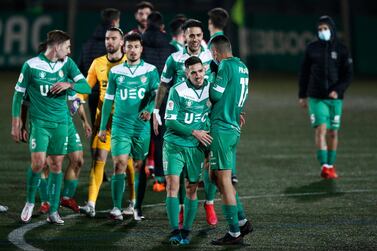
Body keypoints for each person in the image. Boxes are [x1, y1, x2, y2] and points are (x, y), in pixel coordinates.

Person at [11, 30, 91, 225]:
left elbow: (86, 87)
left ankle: (54, 211)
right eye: (67, 47)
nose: (70, 51)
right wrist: (16, 123)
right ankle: (30, 201)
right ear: (57, 47)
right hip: (39, 123)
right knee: (38, 163)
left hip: (62, 124)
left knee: (56, 166)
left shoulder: (68, 65)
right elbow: (18, 96)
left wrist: (69, 84)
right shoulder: (31, 65)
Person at [153, 18, 218, 227]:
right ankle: (180, 210)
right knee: (179, 174)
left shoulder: (211, 56)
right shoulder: (174, 59)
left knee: (211, 166)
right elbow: (163, 86)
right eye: (191, 35)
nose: (196, 39)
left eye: (199, 35)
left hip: (206, 118)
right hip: (182, 118)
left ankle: (209, 203)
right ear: (184, 36)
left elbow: (222, 82)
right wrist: (156, 110)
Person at [98, 33, 159, 221]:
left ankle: (135, 204)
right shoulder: (116, 72)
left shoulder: (150, 70)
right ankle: (116, 208)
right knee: (119, 164)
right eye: (129, 47)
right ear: (124, 48)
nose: (132, 50)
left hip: (141, 127)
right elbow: (108, 101)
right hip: (120, 126)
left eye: (136, 47)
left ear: (141, 49)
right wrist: (102, 127)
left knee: (140, 167)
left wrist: (149, 109)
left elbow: (155, 95)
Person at [77, 27, 136, 218]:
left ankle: (133, 201)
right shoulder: (97, 63)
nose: (109, 42)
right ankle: (91, 204)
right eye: (107, 38)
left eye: (113, 38)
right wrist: (75, 95)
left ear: (121, 43)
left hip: (126, 124)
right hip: (103, 122)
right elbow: (85, 89)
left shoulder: (130, 63)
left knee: (126, 163)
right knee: (98, 160)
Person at [209, 35, 253, 245]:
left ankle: (234, 232)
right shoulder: (242, 66)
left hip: (222, 128)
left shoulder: (225, 65)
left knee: (223, 179)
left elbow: (215, 94)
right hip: (232, 126)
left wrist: (210, 79)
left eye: (212, 54)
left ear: (216, 53)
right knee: (216, 177)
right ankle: (242, 221)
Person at [164, 56, 212, 245]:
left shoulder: (211, 88)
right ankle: (175, 230)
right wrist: (194, 132)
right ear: (187, 73)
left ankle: (186, 231)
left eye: (200, 71)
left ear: (204, 70)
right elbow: (170, 120)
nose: (198, 75)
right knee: (172, 185)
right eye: (193, 72)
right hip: (174, 144)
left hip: (195, 147)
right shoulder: (178, 90)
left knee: (192, 188)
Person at [299, 16, 352, 179]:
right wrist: (302, 95)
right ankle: (324, 165)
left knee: (333, 133)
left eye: (325, 28)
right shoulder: (312, 48)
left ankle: (330, 165)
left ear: (332, 29)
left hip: (335, 98)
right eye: (320, 29)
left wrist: (338, 90)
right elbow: (304, 72)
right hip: (316, 96)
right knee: (321, 129)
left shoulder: (342, 49)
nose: (322, 32)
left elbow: (348, 75)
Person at [142, 11, 176, 193]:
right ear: (162, 27)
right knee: (160, 136)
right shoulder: (170, 49)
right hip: (163, 96)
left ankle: (140, 170)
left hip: (142, 96)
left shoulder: (141, 45)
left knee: (141, 134)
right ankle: (160, 177)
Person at [78, 8, 121, 125]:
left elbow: (80, 69)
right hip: (110, 92)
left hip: (92, 93)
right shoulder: (115, 45)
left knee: (96, 126)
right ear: (114, 22)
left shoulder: (87, 44)